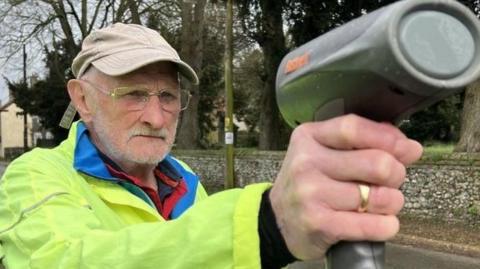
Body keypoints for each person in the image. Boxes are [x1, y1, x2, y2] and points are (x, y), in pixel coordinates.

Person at [0, 23, 422, 268]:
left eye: (168, 96)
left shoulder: (185, 182)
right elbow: (66, 260)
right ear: (82, 99)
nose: (156, 116)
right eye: (132, 94)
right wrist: (266, 226)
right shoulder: (37, 175)